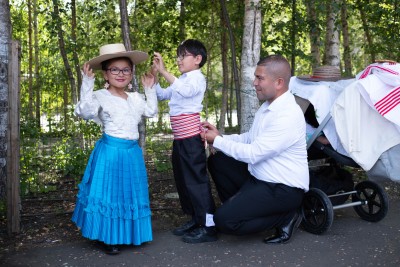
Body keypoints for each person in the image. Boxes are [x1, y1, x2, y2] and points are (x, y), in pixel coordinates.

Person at [201, 55, 309, 244]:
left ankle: (286, 217)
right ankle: (242, 209)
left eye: (260, 78)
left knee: (223, 221)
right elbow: (249, 139)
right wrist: (220, 137)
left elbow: (253, 153)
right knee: (218, 161)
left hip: (282, 189)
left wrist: (217, 141)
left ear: (279, 82)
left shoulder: (287, 115)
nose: (254, 82)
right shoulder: (268, 106)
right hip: (259, 178)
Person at [71, 43, 158, 255]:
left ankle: (129, 234)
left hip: (132, 153)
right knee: (109, 194)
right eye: (114, 69)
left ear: (132, 73)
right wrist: (87, 83)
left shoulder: (136, 98)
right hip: (110, 152)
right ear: (105, 74)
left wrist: (149, 88)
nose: (120, 74)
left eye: (125, 69)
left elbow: (152, 111)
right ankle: (108, 237)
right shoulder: (100, 96)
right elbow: (84, 111)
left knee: (129, 194)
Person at [151, 39, 217, 243]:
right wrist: (154, 77)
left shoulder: (197, 79)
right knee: (183, 180)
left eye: (183, 56)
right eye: (178, 56)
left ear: (197, 59)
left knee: (196, 182)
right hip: (179, 139)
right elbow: (162, 95)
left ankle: (209, 226)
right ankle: (196, 219)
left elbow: (186, 91)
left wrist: (164, 72)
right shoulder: (181, 79)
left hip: (191, 140)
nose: (179, 60)